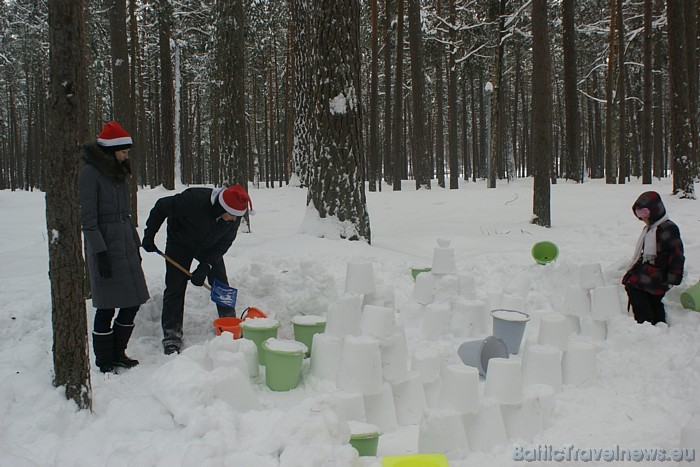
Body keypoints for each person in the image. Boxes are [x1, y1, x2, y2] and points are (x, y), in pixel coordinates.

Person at [141, 184, 253, 355]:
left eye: (236, 217)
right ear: (221, 207)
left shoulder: (234, 216)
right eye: (230, 216)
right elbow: (161, 206)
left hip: (209, 245)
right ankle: (172, 336)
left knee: (220, 281)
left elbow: (224, 244)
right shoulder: (192, 200)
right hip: (180, 241)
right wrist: (150, 234)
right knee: (175, 285)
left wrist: (205, 266)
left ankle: (229, 322)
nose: (233, 220)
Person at [79, 121, 150, 373]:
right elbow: (88, 220)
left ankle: (119, 353)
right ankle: (104, 359)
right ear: (111, 150)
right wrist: (100, 253)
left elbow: (125, 214)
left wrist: (135, 243)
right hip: (106, 247)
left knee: (133, 301)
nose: (126, 155)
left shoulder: (118, 172)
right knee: (106, 306)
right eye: (123, 151)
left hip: (126, 245)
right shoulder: (90, 173)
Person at [622, 191, 684, 325]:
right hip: (652, 270)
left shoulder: (668, 229)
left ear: (654, 212)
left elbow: (677, 254)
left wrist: (673, 277)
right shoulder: (650, 229)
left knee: (634, 286)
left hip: (662, 273)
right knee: (643, 291)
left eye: (644, 216)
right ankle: (657, 323)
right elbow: (644, 254)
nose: (643, 220)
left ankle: (645, 321)